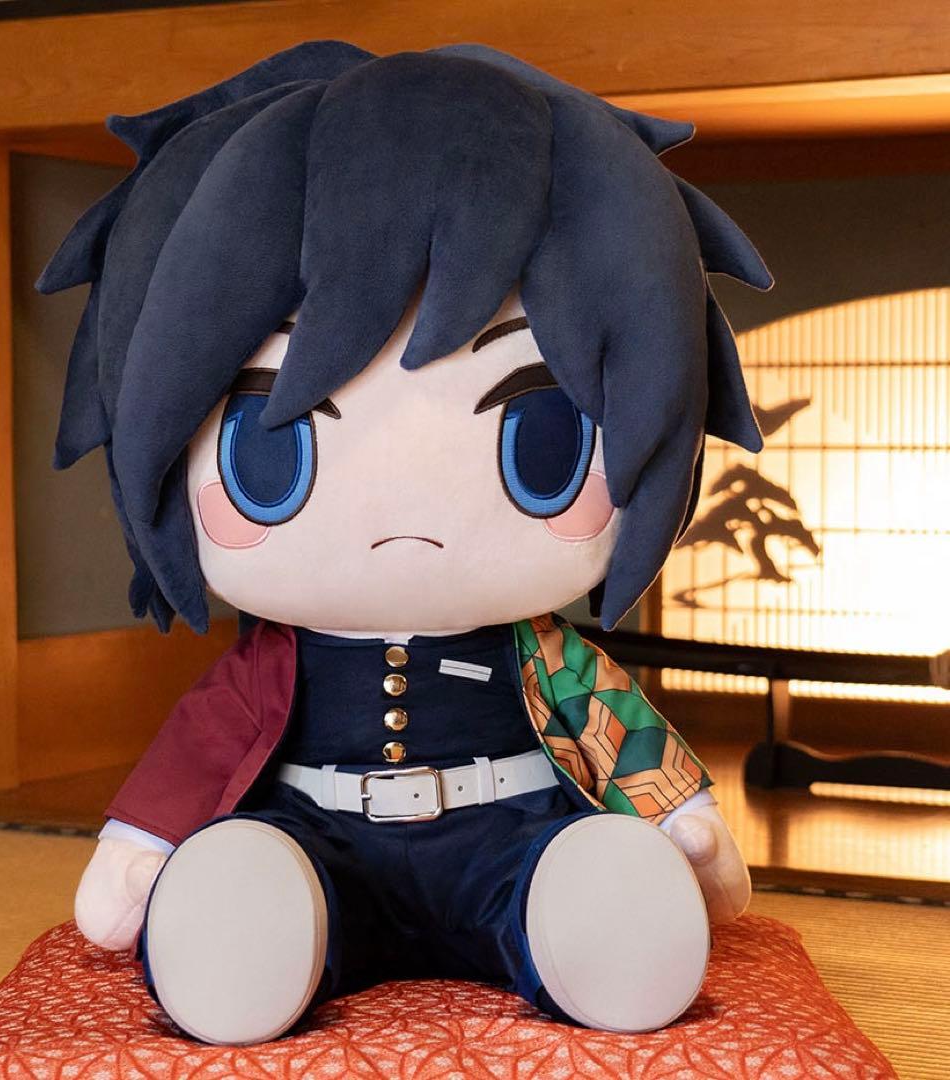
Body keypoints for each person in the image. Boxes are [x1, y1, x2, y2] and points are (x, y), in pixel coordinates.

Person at [38, 42, 771, 1046]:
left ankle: (595, 917)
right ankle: (248, 922)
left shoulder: (547, 659)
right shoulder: (271, 667)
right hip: (320, 848)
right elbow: (200, 748)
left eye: (541, 443)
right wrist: (142, 849)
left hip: (511, 845)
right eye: (270, 455)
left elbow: (614, 727)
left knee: (583, 878)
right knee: (255, 878)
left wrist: (683, 826)